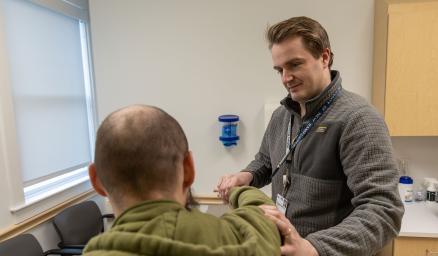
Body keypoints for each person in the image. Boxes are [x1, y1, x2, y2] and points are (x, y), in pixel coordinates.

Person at [216, 16, 404, 256]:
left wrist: (313, 248)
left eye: (295, 65)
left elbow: (383, 210)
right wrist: (247, 176)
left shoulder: (359, 120)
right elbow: (266, 161)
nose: (286, 78)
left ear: (324, 57)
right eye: (280, 69)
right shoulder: (281, 116)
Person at [83, 105, 281, 256]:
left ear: (96, 180)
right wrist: (238, 190)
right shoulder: (239, 242)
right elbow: (265, 216)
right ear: (189, 169)